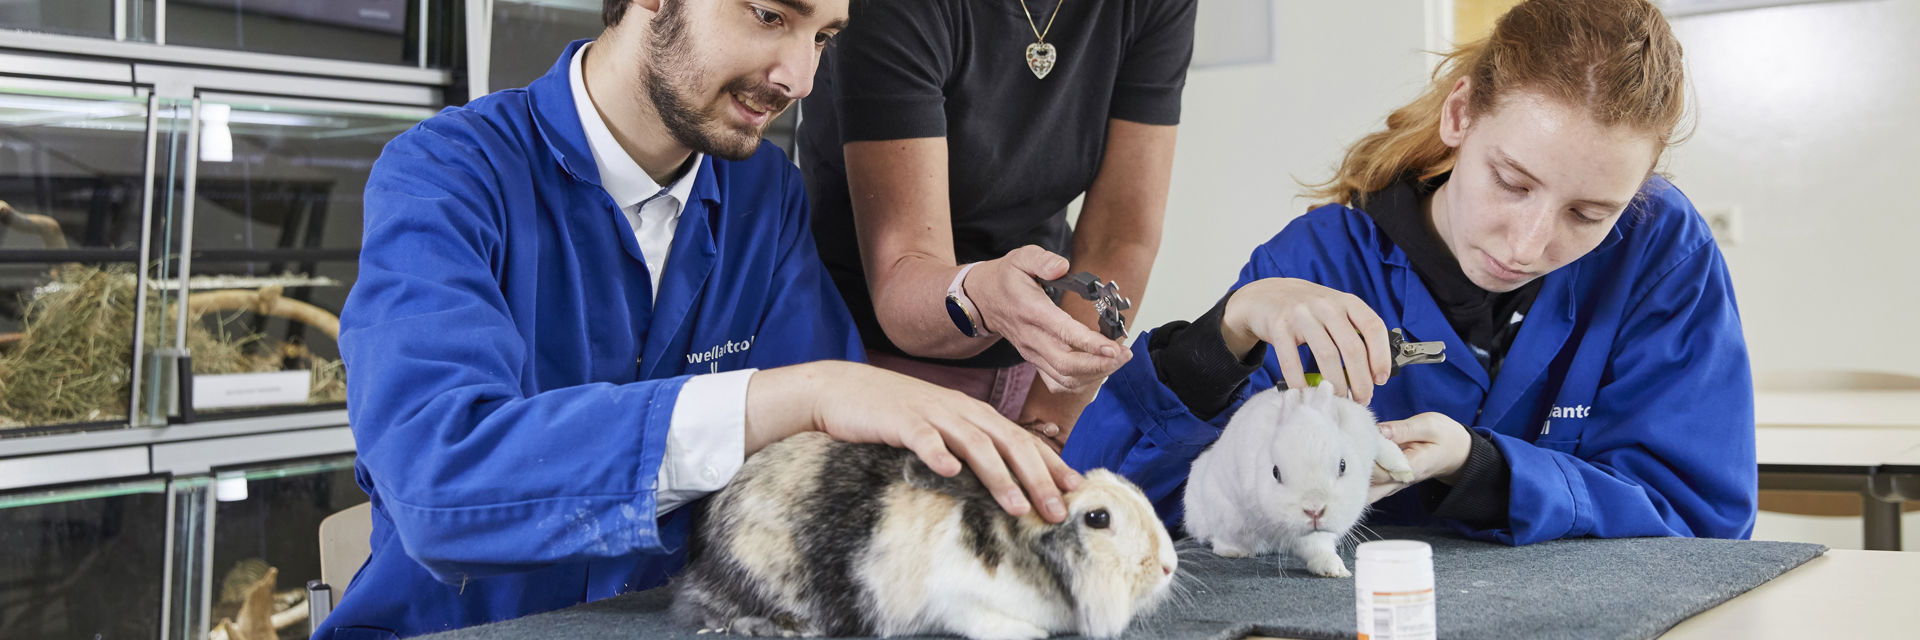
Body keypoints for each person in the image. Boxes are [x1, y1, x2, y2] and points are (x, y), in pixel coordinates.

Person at [322, 0, 1078, 636]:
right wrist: (795, 395)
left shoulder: (765, 200)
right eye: (769, 14)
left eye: (823, 37)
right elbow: (438, 482)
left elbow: (816, 483)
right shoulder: (444, 174)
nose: (801, 77)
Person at [1062, 0, 1757, 546]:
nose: (1528, 242)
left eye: (1589, 213)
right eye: (1511, 182)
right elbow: (1104, 512)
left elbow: (1702, 526)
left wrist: (1482, 467)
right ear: (1460, 116)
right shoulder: (1317, 265)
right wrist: (1224, 335)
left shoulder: (1661, 252)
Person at [797, 0, 1196, 446]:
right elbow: (903, 274)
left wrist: (1050, 419)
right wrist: (984, 299)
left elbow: (1121, 236)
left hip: (1036, 362)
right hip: (877, 371)